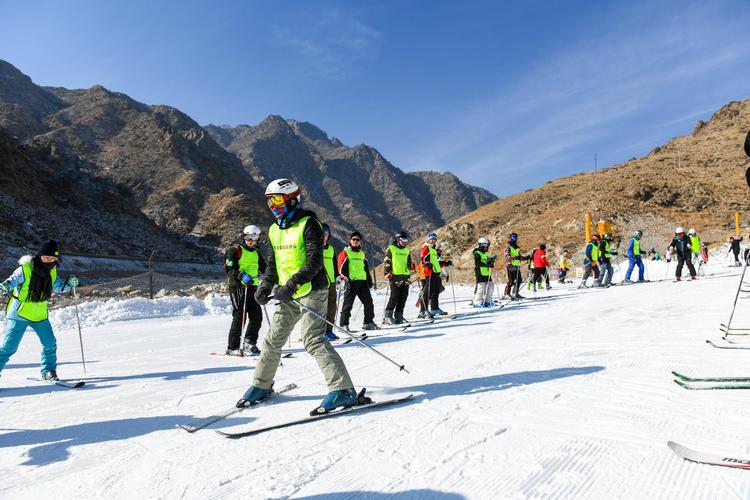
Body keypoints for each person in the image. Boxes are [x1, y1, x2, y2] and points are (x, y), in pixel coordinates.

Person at [239, 178, 358, 413]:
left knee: (313, 340)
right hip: (288, 294)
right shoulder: (274, 230)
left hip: (312, 289)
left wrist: (291, 285)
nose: (272, 205)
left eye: (276, 199)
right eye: (268, 201)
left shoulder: (308, 224)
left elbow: (315, 260)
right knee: (272, 341)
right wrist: (265, 286)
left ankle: (343, 390)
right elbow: (273, 263)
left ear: (291, 199)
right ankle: (261, 385)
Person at [0, 240, 78, 381]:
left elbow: (59, 287)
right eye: (47, 257)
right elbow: (11, 281)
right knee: (8, 349)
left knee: (49, 344)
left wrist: (69, 284)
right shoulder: (25, 268)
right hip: (19, 313)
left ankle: (48, 372)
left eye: (53, 258)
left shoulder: (52, 270)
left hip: (39, 314)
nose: (49, 260)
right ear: (40, 255)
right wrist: (5, 286)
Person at [223, 225, 266, 356]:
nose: (250, 240)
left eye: (253, 238)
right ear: (243, 237)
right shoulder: (235, 250)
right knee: (239, 315)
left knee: (257, 316)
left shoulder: (257, 254)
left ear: (257, 239)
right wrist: (241, 275)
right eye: (247, 237)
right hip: (237, 286)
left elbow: (266, 269)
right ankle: (233, 347)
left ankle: (249, 343)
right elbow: (229, 268)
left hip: (252, 287)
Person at [337, 231, 378, 331]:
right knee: (348, 304)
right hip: (351, 283)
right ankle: (343, 325)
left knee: (369, 303)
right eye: (353, 239)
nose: (355, 241)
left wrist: (369, 280)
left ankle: (368, 322)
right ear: (350, 240)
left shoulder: (361, 254)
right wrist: (347, 280)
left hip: (362, 283)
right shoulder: (345, 253)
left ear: (360, 242)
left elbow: (365, 268)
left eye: (357, 240)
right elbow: (341, 269)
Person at [383, 232, 414, 323]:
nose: (405, 242)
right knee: (394, 296)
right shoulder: (391, 248)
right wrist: (387, 272)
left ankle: (399, 315)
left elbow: (408, 264)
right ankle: (388, 316)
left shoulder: (407, 250)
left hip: (405, 276)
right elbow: (387, 261)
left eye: (406, 240)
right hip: (395, 276)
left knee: (403, 296)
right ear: (398, 240)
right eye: (403, 240)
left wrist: (411, 266)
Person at [418, 232, 446, 317]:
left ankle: (434, 309)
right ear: (428, 239)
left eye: (435, 239)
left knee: (435, 290)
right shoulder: (426, 247)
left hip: (435, 271)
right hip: (427, 272)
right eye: (432, 239)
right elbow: (424, 259)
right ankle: (423, 311)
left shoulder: (433, 249)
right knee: (427, 291)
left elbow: (435, 261)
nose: (433, 241)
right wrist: (427, 263)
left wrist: (445, 263)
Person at [320, 223, 339, 340]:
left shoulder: (331, 249)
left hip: (331, 283)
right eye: (321, 234)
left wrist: (337, 277)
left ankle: (329, 331)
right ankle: (317, 332)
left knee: (331, 309)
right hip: (319, 284)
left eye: (326, 234)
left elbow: (334, 266)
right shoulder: (314, 248)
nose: (323, 236)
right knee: (320, 310)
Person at [503, 233, 529, 300]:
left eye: (515, 237)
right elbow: (507, 256)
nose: (514, 239)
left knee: (519, 280)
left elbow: (519, 257)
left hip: (517, 265)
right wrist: (514, 258)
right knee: (511, 281)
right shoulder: (508, 246)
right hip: (510, 265)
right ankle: (506, 294)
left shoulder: (517, 247)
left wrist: (526, 258)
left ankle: (515, 293)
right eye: (513, 237)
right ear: (510, 237)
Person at [472, 237, 496, 307]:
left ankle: (488, 301)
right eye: (486, 246)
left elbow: (487, 261)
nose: (487, 247)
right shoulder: (477, 253)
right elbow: (477, 263)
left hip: (486, 273)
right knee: (481, 288)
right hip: (480, 273)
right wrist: (487, 265)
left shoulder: (484, 254)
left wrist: (492, 260)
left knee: (490, 286)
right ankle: (477, 302)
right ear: (482, 245)